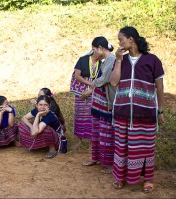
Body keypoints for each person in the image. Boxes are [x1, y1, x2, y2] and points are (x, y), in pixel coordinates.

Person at [110, 26, 164, 192]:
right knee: (122, 146)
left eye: (121, 39)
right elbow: (113, 82)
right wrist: (118, 60)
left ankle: (148, 179)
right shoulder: (121, 60)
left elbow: (160, 87)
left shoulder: (152, 60)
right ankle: (120, 178)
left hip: (145, 114)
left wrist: (160, 110)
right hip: (122, 112)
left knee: (145, 146)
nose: (119, 42)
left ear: (130, 39)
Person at [81, 37, 116, 175]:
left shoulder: (112, 60)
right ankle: (96, 158)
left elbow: (104, 79)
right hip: (98, 103)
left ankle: (109, 163)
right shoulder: (105, 61)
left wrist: (92, 83)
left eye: (94, 49)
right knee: (96, 132)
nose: (93, 52)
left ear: (100, 48)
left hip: (106, 104)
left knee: (107, 133)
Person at [70, 49, 101, 147]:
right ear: (95, 49)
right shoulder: (83, 60)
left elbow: (102, 80)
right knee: (80, 114)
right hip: (81, 91)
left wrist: (91, 89)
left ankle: (93, 141)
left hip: (95, 91)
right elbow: (77, 75)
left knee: (92, 115)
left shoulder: (102, 63)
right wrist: (90, 83)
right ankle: (80, 140)